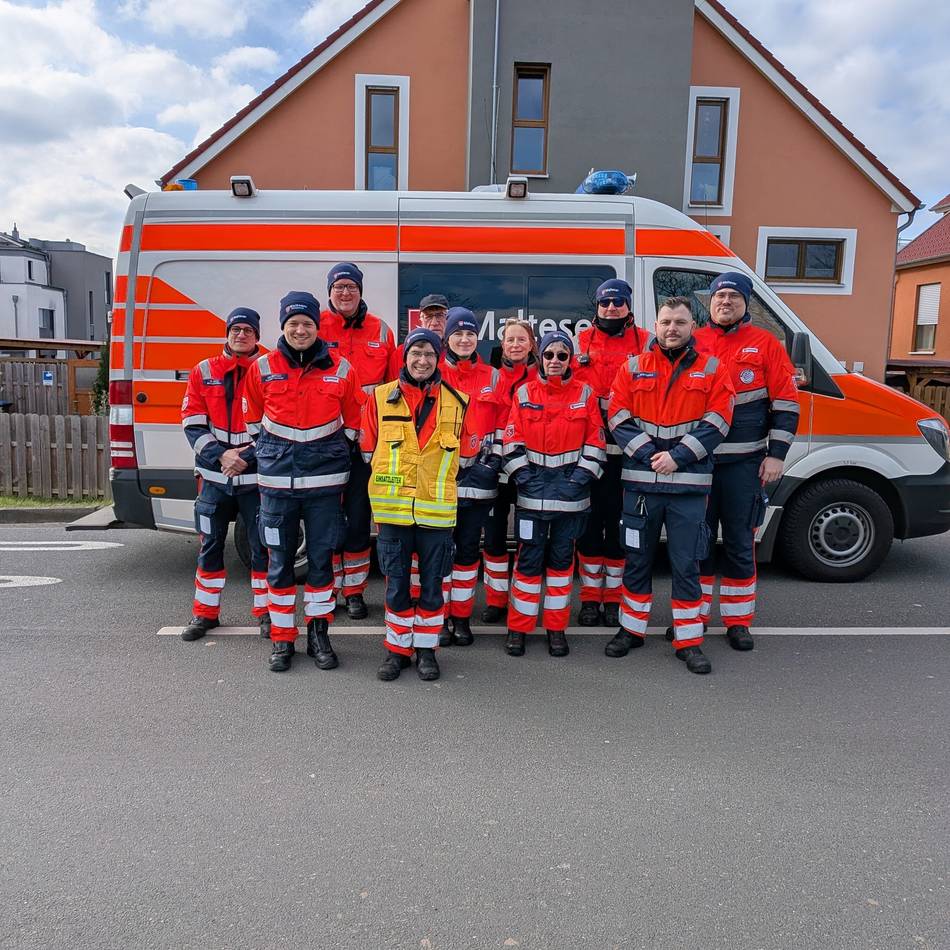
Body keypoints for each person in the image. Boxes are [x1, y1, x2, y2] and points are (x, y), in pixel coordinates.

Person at [605, 296, 734, 674]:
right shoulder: (632, 368)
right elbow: (617, 416)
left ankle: (689, 641)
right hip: (642, 488)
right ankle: (631, 631)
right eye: (665, 322)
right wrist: (651, 455)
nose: (672, 328)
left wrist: (678, 457)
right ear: (655, 326)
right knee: (637, 562)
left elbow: (719, 420)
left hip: (688, 488)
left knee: (687, 564)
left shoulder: (713, 369)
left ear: (692, 326)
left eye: (679, 322)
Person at [242, 291, 363, 673]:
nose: (300, 330)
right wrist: (273, 453)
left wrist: (331, 451)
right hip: (276, 486)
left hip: (325, 487)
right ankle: (282, 640)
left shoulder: (342, 369)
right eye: (293, 323)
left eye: (307, 324)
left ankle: (319, 635)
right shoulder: (261, 368)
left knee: (321, 564)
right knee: (278, 564)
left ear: (317, 327)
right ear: (283, 326)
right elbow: (253, 422)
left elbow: (354, 420)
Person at [361, 328, 477, 682]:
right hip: (393, 513)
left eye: (429, 354)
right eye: (416, 354)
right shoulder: (380, 398)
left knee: (431, 586)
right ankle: (397, 651)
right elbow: (368, 450)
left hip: (437, 514)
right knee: (396, 585)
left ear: (438, 357)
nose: (422, 361)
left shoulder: (459, 401)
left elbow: (469, 454)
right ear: (404, 357)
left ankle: (426, 651)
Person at [693, 272, 800, 651]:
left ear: (746, 303)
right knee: (698, 543)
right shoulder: (694, 341)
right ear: (710, 302)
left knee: (740, 542)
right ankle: (695, 618)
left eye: (733, 297)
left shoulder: (766, 344)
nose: (726, 302)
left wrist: (776, 455)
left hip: (744, 465)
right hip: (698, 465)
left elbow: (786, 405)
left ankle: (738, 622)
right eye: (720, 296)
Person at [501, 330, 605, 657]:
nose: (555, 361)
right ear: (540, 358)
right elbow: (510, 441)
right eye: (549, 355)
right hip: (532, 499)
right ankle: (518, 629)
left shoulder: (585, 394)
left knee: (561, 566)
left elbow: (596, 443)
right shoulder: (523, 393)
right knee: (528, 562)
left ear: (570, 359)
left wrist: (576, 480)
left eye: (562, 355)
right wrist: (525, 478)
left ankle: (556, 629)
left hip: (571, 499)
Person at [179, 308, 269, 641]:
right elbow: (192, 422)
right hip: (214, 480)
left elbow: (278, 425)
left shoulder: (269, 369)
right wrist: (222, 457)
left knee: (263, 549)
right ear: (227, 333)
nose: (241, 335)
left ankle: (267, 614)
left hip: (256, 480)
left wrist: (245, 457)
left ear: (257, 336)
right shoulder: (204, 370)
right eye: (235, 329)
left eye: (248, 330)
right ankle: (204, 614)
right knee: (210, 546)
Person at [319, 262, 396, 620]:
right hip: (326, 439)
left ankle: (354, 592)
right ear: (330, 291)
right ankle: (331, 587)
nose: (345, 293)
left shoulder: (381, 329)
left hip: (368, 442)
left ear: (360, 291)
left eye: (351, 286)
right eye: (339, 287)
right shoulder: (313, 326)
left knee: (359, 518)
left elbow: (396, 388)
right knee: (328, 517)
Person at [573, 278, 650, 628]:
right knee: (590, 528)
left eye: (618, 302)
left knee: (621, 528)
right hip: (588, 452)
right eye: (605, 303)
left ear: (628, 306)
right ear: (597, 308)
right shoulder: (579, 341)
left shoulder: (647, 341)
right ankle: (590, 600)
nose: (611, 308)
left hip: (631, 453)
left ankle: (615, 598)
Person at [438, 307, 505, 646]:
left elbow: (506, 425)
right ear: (447, 337)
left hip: (479, 479)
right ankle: (439, 616)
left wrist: (493, 461)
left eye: (470, 334)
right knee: (438, 551)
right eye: (457, 333)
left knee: (466, 552)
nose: (464, 339)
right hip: (438, 479)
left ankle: (461, 618)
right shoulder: (432, 372)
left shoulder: (493, 376)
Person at [481, 319, 539, 624]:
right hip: (496, 472)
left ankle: (521, 599)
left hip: (530, 472)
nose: (515, 345)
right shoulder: (491, 377)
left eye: (521, 339)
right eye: (510, 340)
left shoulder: (543, 375)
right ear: (502, 344)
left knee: (528, 539)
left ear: (531, 344)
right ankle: (496, 600)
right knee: (493, 539)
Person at [387, 294, 450, 378]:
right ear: (421, 319)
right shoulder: (400, 353)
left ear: (448, 318)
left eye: (440, 315)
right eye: (428, 316)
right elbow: (391, 387)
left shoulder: (457, 353)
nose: (434, 323)